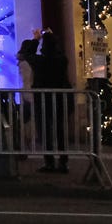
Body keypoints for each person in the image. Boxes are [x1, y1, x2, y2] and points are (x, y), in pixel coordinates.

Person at [21, 29, 71, 173]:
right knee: (60, 130)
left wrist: (36, 39)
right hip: (59, 98)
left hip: (42, 99)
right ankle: (63, 162)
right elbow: (60, 53)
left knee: (45, 131)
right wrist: (51, 37)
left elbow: (27, 54)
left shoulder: (39, 61)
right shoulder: (62, 60)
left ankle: (49, 162)